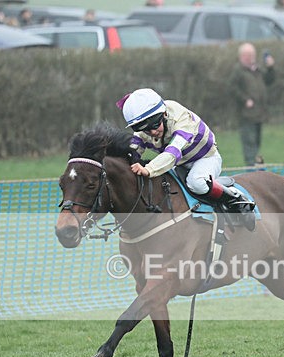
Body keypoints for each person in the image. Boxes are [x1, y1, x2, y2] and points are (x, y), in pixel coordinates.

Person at [118, 88, 256, 230]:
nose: (153, 132)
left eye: (155, 125)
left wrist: (149, 169)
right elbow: (133, 150)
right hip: (180, 163)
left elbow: (172, 153)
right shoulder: (146, 124)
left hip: (205, 158)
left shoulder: (180, 119)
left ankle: (235, 198)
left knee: (196, 183)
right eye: (146, 129)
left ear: (164, 114)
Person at [228, 42, 276, 167]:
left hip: (259, 113)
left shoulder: (257, 69)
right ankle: (251, 167)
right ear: (243, 56)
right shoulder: (238, 71)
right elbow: (232, 89)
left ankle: (256, 165)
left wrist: (270, 68)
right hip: (246, 114)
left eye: (253, 54)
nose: (252, 57)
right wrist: (245, 100)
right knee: (249, 143)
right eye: (249, 55)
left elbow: (269, 80)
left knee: (257, 142)